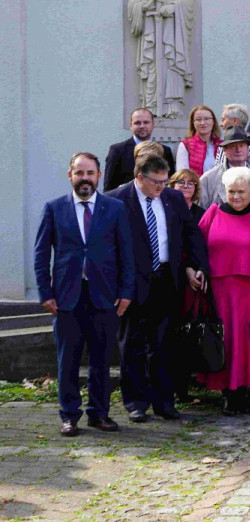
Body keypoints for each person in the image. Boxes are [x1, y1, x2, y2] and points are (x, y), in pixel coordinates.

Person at [34, 152, 134, 437]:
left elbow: (126, 253)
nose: (85, 179)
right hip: (67, 298)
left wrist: (126, 291)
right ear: (70, 176)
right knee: (68, 361)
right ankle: (69, 416)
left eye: (90, 173)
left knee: (101, 360)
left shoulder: (114, 209)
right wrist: (45, 292)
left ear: (99, 176)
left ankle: (99, 414)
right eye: (79, 173)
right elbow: (41, 254)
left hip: (105, 296)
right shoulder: (54, 208)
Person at [108, 155, 208, 422]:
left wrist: (198, 265)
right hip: (132, 282)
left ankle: (164, 401)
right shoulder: (116, 200)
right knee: (132, 344)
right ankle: (136, 402)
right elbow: (107, 246)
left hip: (167, 278)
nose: (163, 187)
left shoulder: (173, 199)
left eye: (166, 181)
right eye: (157, 182)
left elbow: (190, 234)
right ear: (139, 177)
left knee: (164, 343)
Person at [198, 167, 250, 416]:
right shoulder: (213, 213)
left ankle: (247, 391)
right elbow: (197, 246)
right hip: (219, 290)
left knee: (247, 342)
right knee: (225, 340)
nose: (236, 196)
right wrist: (196, 270)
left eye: (241, 191)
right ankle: (228, 393)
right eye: (231, 191)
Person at [127, 0, 195, 119]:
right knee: (151, 68)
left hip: (171, 31)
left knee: (170, 63)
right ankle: (151, 106)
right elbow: (133, 0)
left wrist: (174, 7)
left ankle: (171, 105)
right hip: (150, 28)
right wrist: (143, 6)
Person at [167, 166, 204, 404]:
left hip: (195, 285)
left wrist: (198, 269)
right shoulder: (166, 210)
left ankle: (184, 388)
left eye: (190, 183)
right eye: (181, 183)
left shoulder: (202, 213)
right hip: (172, 279)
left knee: (188, 336)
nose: (185, 187)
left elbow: (203, 245)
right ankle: (169, 389)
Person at [104, 107, 175, 191]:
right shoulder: (117, 150)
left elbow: (171, 183)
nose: (142, 126)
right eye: (137, 123)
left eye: (146, 122)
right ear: (131, 125)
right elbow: (109, 188)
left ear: (153, 124)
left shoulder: (165, 151)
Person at [199, 127, 250, 208]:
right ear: (224, 150)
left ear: (248, 148)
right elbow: (201, 214)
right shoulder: (208, 179)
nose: (238, 149)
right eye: (233, 146)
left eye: (242, 145)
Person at [175, 104, 221, 175]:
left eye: (206, 119)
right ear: (193, 123)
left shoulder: (222, 145)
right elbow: (182, 175)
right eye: (198, 119)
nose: (202, 123)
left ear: (213, 122)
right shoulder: (185, 145)